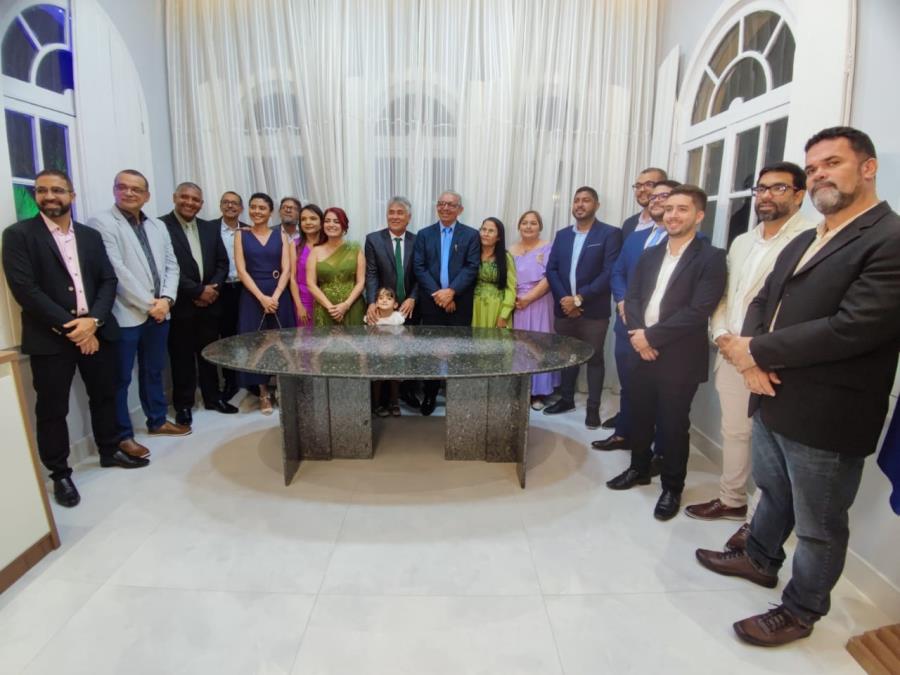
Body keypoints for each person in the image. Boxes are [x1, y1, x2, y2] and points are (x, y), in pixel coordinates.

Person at [696, 127, 900, 647]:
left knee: (818, 524)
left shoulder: (889, 238)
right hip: (772, 393)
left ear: (868, 167)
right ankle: (759, 558)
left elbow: (854, 327)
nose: (819, 175)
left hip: (829, 409)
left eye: (832, 163)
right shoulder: (809, 237)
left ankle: (801, 609)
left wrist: (757, 351)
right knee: (774, 492)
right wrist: (750, 360)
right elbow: (763, 299)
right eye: (812, 169)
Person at [2, 170, 149, 507]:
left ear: (72, 195)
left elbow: (108, 280)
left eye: (57, 190)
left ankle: (109, 450)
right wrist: (75, 328)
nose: (49, 196)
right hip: (51, 338)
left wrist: (93, 322)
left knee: (105, 394)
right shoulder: (18, 236)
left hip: (97, 330)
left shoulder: (89, 236)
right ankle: (60, 474)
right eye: (42, 190)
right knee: (52, 408)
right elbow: (25, 290)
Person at [684, 163, 813, 541]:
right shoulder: (742, 241)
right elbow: (725, 296)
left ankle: (758, 524)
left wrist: (755, 350)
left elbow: (797, 306)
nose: (766, 196)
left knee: (771, 445)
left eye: (778, 188)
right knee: (735, 432)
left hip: (773, 359)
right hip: (731, 351)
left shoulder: (810, 238)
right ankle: (731, 499)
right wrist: (723, 335)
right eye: (761, 189)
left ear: (799, 195)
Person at [606, 184, 726, 521]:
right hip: (640, 348)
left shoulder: (711, 258)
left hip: (678, 357)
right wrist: (638, 336)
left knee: (673, 425)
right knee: (640, 415)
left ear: (699, 216)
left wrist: (651, 338)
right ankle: (639, 469)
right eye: (669, 208)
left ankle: (672, 487)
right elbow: (632, 297)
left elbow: (698, 310)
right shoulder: (651, 254)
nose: (673, 215)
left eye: (682, 209)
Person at [88, 169, 190, 450]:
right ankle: (123, 435)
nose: (129, 193)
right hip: (126, 313)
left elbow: (171, 265)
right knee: (120, 377)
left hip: (160, 311)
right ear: (114, 190)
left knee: (154, 370)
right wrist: (150, 304)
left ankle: (157, 420)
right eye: (123, 187)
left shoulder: (157, 226)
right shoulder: (101, 222)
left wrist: (166, 300)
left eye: (136, 189)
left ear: (147, 196)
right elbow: (116, 271)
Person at [595, 180, 679, 452]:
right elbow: (618, 272)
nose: (655, 200)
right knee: (628, 385)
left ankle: (658, 450)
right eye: (653, 197)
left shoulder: (689, 242)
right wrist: (621, 301)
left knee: (660, 395)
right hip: (626, 326)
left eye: (663, 196)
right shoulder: (635, 237)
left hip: (659, 332)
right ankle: (624, 434)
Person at [544, 186, 622, 428]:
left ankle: (593, 408)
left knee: (594, 358)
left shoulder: (610, 234)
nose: (580, 204)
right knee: (567, 356)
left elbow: (609, 272)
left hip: (593, 312)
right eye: (576, 200)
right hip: (564, 309)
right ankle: (566, 399)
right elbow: (551, 269)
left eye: (586, 200)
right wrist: (566, 300)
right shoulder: (562, 235)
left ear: (596, 205)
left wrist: (579, 299)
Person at [160, 182, 234, 426]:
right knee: (181, 357)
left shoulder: (210, 228)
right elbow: (165, 267)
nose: (190, 203)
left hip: (211, 304)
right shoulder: (161, 227)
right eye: (185, 197)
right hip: (182, 304)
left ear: (201, 204)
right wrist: (197, 291)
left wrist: (212, 289)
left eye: (195, 200)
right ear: (175, 197)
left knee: (210, 354)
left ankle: (213, 398)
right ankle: (184, 405)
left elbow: (223, 263)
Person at [411, 190, 480, 415]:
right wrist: (439, 295)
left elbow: (472, 267)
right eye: (441, 203)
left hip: (460, 303)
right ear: (437, 207)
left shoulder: (471, 235)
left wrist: (451, 292)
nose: (445, 208)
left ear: (460, 209)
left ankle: (457, 395)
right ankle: (430, 394)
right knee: (432, 351)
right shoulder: (424, 234)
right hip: (431, 304)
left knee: (459, 350)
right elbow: (419, 267)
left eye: (451, 204)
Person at [234, 192, 294, 414]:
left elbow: (287, 269)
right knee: (256, 342)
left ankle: (283, 388)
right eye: (253, 207)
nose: (257, 211)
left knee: (282, 341)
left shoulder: (281, 234)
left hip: (279, 294)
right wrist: (261, 297)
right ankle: (263, 393)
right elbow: (241, 270)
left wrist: (275, 296)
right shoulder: (240, 235)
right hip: (253, 295)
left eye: (262, 208)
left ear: (270, 212)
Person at [363, 196, 420, 409]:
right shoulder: (373, 239)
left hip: (410, 308)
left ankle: (406, 392)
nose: (395, 216)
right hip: (384, 309)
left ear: (409, 217)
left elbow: (421, 274)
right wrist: (371, 302)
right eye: (391, 212)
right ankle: (383, 399)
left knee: (408, 351)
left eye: (400, 212)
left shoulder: (418, 240)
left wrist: (413, 297)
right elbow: (371, 273)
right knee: (383, 353)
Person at [510, 210, 558, 410]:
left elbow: (550, 277)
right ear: (519, 226)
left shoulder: (548, 247)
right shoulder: (510, 250)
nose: (528, 226)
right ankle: (521, 389)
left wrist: (529, 298)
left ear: (540, 227)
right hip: (516, 304)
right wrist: (513, 298)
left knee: (539, 344)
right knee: (520, 347)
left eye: (533, 223)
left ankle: (539, 392)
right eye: (525, 222)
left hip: (540, 301)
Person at [307, 207, 365, 326]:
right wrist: (330, 308)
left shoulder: (355, 248)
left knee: (354, 338)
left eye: (336, 221)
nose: (331, 224)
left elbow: (361, 282)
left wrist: (346, 305)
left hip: (352, 306)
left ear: (344, 226)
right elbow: (310, 284)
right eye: (327, 221)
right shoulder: (315, 251)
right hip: (325, 308)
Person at [215, 191, 248, 401]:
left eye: (234, 203)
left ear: (241, 208)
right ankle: (230, 382)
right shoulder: (210, 230)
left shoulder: (248, 230)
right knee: (226, 337)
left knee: (247, 334)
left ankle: (251, 382)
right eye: (226, 202)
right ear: (220, 205)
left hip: (245, 288)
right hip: (221, 290)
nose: (230, 206)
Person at [366, 287, 406, 417]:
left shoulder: (398, 318)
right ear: (376, 303)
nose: (384, 300)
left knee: (394, 379)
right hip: (377, 353)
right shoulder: (371, 319)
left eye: (389, 298)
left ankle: (394, 403)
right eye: (381, 298)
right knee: (377, 380)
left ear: (395, 305)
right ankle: (376, 405)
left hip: (394, 353)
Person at [472, 217, 516, 329]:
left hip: (497, 308)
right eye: (483, 229)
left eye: (491, 231)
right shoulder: (472, 254)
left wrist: (504, 314)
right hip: (473, 306)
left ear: (499, 237)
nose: (485, 234)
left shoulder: (505, 258)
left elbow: (511, 288)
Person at [289, 203, 326, 328]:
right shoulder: (295, 245)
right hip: (304, 299)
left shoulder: (328, 244)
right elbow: (293, 278)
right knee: (306, 337)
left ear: (321, 222)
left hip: (327, 298)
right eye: (303, 219)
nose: (308, 222)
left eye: (313, 218)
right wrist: (299, 305)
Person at [621, 167, 669, 241]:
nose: (642, 189)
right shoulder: (629, 223)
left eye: (649, 184)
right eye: (638, 186)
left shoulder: (671, 222)